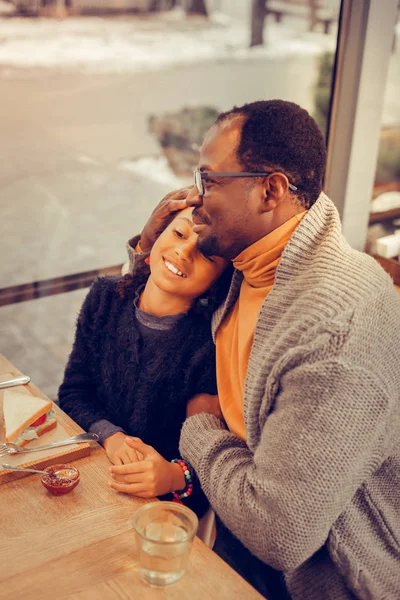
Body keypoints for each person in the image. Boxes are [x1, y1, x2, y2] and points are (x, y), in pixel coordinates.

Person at [126, 100, 400, 600]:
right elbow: (141, 323)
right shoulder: (250, 256)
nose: (195, 196)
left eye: (209, 180)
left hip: (321, 579)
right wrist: (146, 249)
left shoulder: (334, 334)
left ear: (270, 189)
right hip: (225, 529)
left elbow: (279, 535)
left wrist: (201, 424)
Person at [58, 204, 230, 517]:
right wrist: (110, 435)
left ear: (218, 281)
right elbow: (73, 392)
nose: (183, 251)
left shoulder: (210, 346)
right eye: (179, 233)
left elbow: (204, 465)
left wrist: (171, 476)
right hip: (91, 475)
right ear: (157, 237)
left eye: (207, 254)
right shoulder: (105, 297)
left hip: (152, 510)